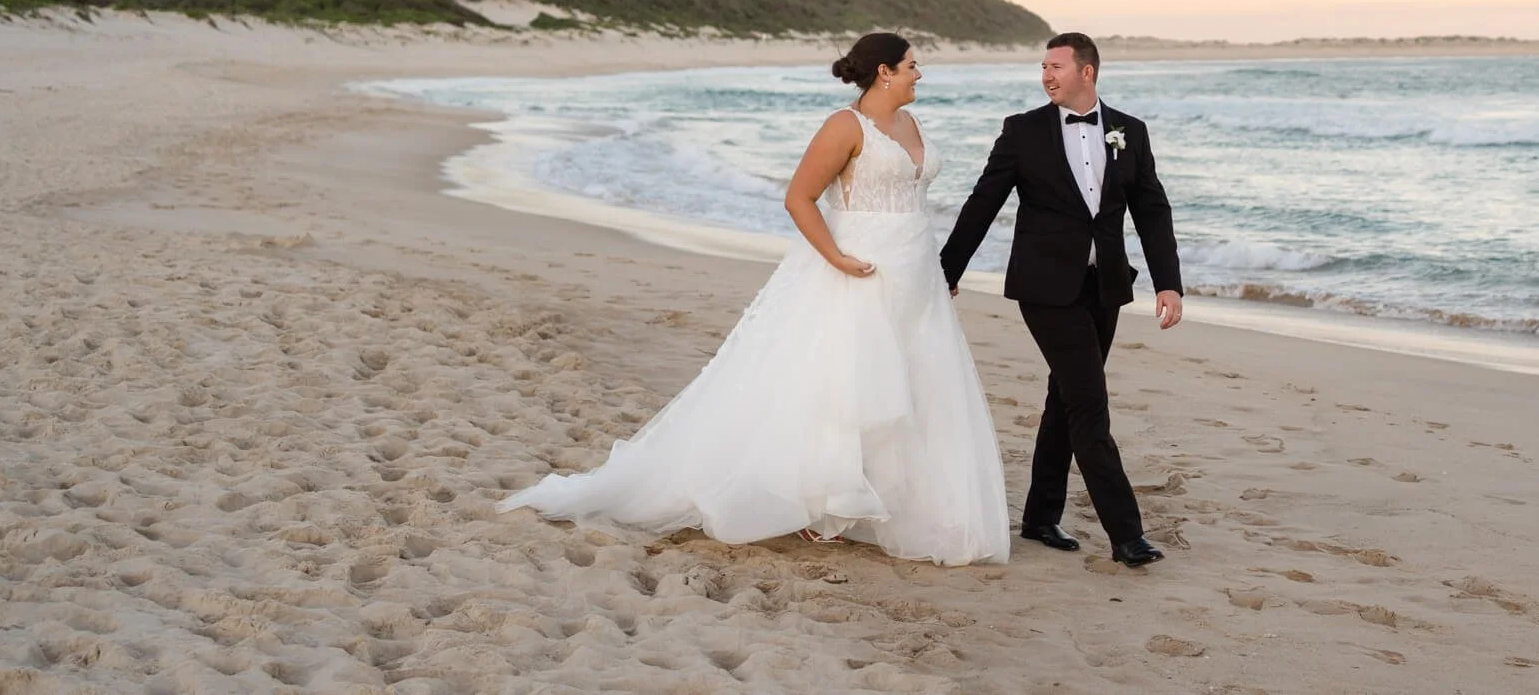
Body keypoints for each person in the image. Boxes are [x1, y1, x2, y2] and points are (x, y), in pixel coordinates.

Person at [500, 32, 1009, 566]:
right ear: (884, 71)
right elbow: (800, 197)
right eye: (911, 65)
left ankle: (893, 500)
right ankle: (826, 503)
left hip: (915, 272)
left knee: (914, 382)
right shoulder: (844, 125)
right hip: (858, 269)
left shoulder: (911, 124)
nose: (918, 74)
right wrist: (835, 257)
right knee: (846, 385)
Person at [939, 31, 1182, 567]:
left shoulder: (1128, 131)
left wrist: (1168, 282)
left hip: (1106, 288)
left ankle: (1041, 516)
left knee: (1065, 399)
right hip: (1045, 288)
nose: (1046, 75)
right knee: (1089, 402)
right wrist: (947, 269)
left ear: (1087, 72)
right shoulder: (1023, 131)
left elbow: (1152, 209)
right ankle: (1126, 535)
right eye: (1043, 66)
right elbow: (984, 200)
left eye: (1056, 66)